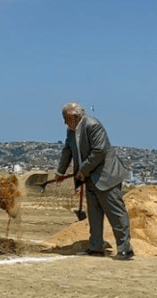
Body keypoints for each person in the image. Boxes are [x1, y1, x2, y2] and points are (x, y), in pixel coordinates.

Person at [53, 102, 134, 260]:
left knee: (116, 214)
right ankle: (95, 246)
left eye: (65, 118)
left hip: (106, 177)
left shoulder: (93, 125)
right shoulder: (71, 131)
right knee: (94, 214)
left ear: (75, 116)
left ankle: (125, 249)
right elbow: (68, 150)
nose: (64, 121)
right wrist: (60, 172)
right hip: (90, 178)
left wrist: (83, 170)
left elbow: (99, 150)